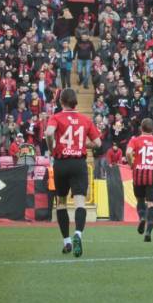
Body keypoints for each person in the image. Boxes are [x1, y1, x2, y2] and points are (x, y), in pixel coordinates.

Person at [44, 88, 101, 257]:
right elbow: (97, 143)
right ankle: (78, 234)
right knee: (80, 203)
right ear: (76, 102)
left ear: (61, 102)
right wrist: (83, 144)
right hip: (78, 164)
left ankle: (67, 241)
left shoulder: (56, 117)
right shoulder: (85, 119)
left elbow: (48, 133)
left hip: (61, 163)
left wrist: (51, 148)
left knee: (60, 202)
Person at [126, 118, 153, 242]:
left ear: (141, 128)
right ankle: (148, 231)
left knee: (140, 199)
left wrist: (131, 164)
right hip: (152, 176)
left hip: (138, 174)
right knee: (152, 204)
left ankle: (142, 217)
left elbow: (128, 153)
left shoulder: (134, 140)